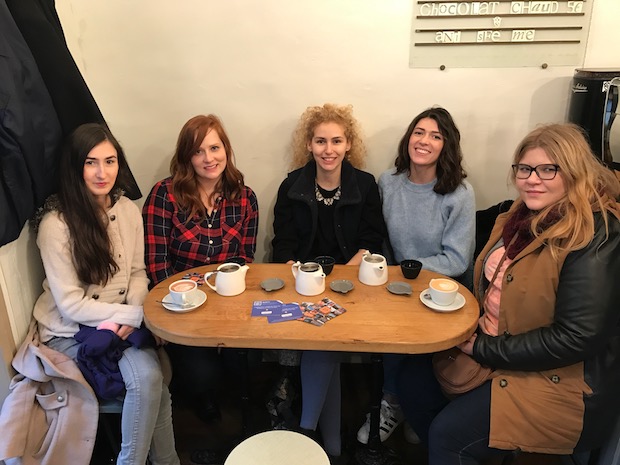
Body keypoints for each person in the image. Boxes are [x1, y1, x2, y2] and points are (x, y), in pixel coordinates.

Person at [395, 123, 620, 464]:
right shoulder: (520, 216)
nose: (532, 179)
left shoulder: (595, 234)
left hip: (559, 378)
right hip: (498, 349)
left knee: (448, 435)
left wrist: (484, 348)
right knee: (411, 381)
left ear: (574, 171)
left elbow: (576, 338)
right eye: (524, 169)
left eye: (548, 169)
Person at [32, 123, 180, 465]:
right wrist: (135, 316)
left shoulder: (127, 210)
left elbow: (138, 273)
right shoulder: (56, 225)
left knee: (152, 380)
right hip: (70, 331)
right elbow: (71, 305)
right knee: (151, 380)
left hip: (121, 320)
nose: (103, 172)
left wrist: (132, 312)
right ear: (75, 167)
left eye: (110, 161)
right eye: (91, 162)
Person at [272, 103, 386, 461]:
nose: (328, 149)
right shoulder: (291, 185)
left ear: (348, 144)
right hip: (302, 285)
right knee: (323, 345)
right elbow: (283, 245)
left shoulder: (365, 185)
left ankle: (307, 433)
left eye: (337, 141)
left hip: (352, 287)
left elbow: (371, 240)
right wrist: (305, 278)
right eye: (320, 141)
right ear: (309, 144)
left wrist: (342, 280)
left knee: (324, 342)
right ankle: (330, 445)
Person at [357, 107, 475, 445]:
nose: (424, 141)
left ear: (446, 146)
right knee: (386, 326)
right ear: (408, 138)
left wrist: (408, 271)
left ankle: (416, 407)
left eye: (436, 136)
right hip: (396, 283)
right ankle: (394, 403)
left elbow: (457, 259)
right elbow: (381, 240)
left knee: (419, 347)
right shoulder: (388, 182)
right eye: (419, 132)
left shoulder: (459, 193)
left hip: (442, 289)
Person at [142, 115, 258, 434]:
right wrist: (179, 311)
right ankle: (201, 394)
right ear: (186, 157)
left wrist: (224, 318)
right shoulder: (164, 195)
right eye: (198, 151)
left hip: (226, 302)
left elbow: (244, 259)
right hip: (180, 305)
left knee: (246, 363)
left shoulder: (245, 197)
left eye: (215, 148)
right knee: (202, 376)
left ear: (226, 150)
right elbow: (156, 262)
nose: (209, 158)